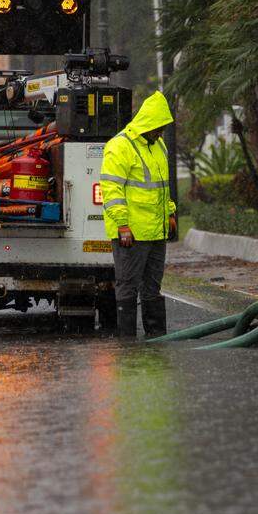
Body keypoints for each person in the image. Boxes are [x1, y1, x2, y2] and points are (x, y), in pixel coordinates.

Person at [100, 91, 177, 338]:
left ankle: (156, 336)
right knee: (128, 287)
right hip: (131, 233)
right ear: (148, 123)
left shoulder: (158, 145)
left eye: (163, 128)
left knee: (152, 288)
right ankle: (127, 339)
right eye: (158, 128)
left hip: (156, 232)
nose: (161, 133)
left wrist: (170, 213)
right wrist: (122, 224)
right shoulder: (120, 146)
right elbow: (111, 189)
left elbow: (162, 186)